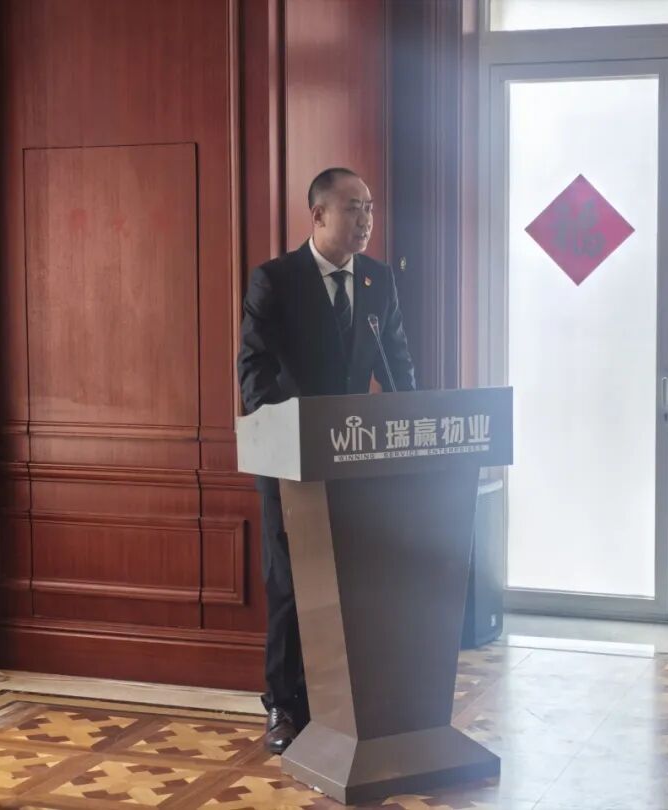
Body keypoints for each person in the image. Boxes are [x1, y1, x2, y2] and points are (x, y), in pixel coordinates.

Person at [237, 167, 416, 754]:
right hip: (290, 463)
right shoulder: (275, 280)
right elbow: (254, 376)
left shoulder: (378, 280)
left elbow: (398, 366)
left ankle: (340, 704)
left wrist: (412, 425)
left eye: (370, 207)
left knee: (349, 586)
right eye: (353, 207)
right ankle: (283, 706)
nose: (366, 219)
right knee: (291, 584)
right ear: (318, 215)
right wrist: (294, 432)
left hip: (355, 461)